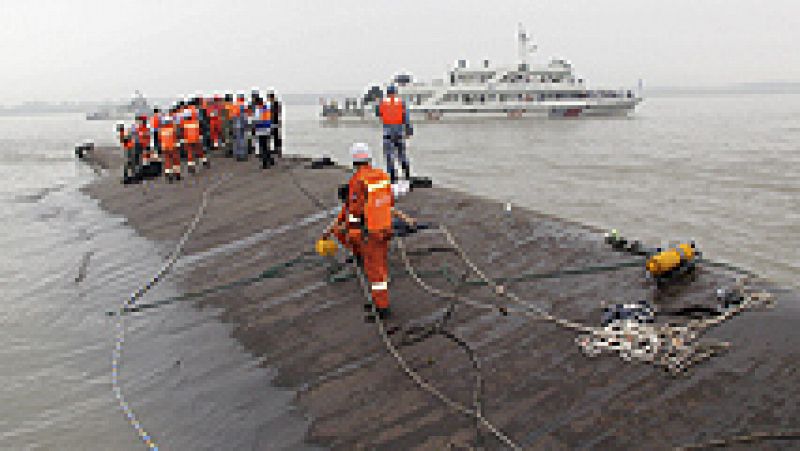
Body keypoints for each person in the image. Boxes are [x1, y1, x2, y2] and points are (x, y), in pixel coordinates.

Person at [320, 143, 416, 320]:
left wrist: (354, 233)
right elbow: (388, 203)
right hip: (385, 227)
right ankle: (379, 299)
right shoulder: (382, 176)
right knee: (380, 265)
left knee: (375, 272)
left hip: (370, 232)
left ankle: (382, 308)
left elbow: (355, 211)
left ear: (354, 161)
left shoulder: (358, 181)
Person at [377, 85, 412, 183]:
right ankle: (407, 175)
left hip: (387, 134)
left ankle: (392, 178)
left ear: (387, 93)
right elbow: (406, 118)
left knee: (389, 156)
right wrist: (409, 130)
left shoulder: (382, 103)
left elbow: (379, 115)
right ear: (395, 93)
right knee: (402, 155)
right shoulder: (401, 103)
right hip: (400, 133)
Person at [159, 115, 181, 182]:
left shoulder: (161, 130)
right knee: (175, 160)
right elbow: (176, 137)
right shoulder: (173, 128)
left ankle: (168, 173)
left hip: (165, 147)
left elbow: (160, 139)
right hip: (173, 146)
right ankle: (177, 174)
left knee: (167, 161)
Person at [252, 99, 273, 168]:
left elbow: (256, 121)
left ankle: (265, 163)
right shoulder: (267, 109)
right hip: (267, 130)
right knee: (266, 146)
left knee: (263, 147)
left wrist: (254, 128)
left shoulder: (258, 111)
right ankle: (270, 160)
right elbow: (269, 120)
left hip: (261, 130)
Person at [267, 90, 282, 158]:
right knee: (274, 136)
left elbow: (275, 112)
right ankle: (276, 148)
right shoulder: (275, 103)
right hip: (274, 121)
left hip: (274, 121)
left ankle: (277, 149)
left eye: (269, 97)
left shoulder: (274, 104)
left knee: (275, 136)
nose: (268, 99)